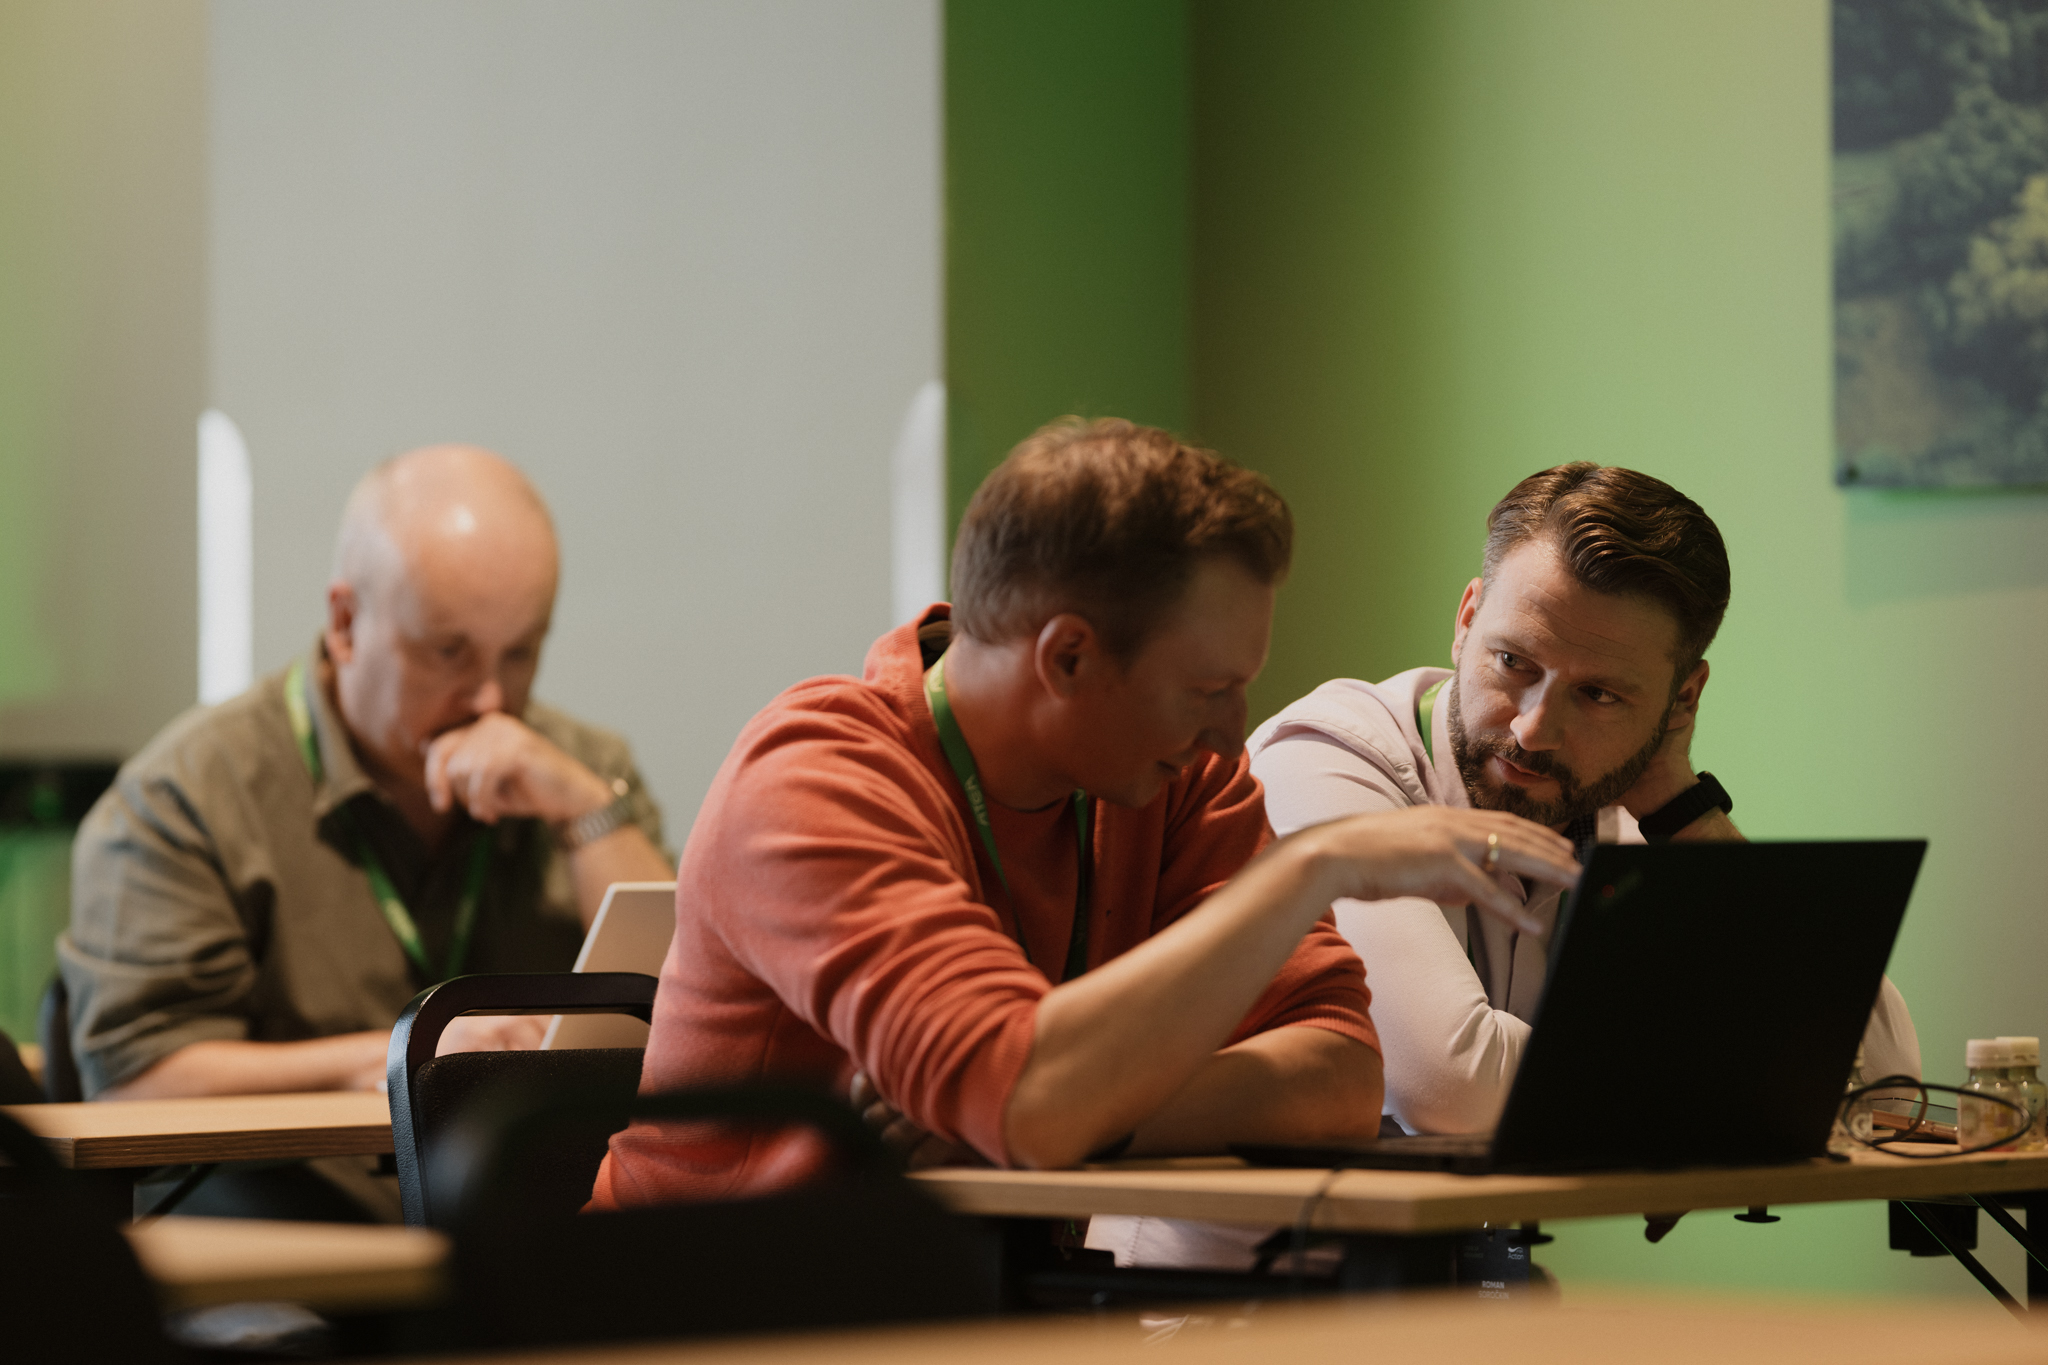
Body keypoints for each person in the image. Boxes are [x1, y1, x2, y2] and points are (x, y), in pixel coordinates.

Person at [588, 418, 1580, 1211]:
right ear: (1067, 658)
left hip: (961, 1306)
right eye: (1205, 690)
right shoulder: (817, 777)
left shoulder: (1171, 776)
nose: (1231, 732)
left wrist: (1075, 1115)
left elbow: (1338, 1077)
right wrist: (1305, 872)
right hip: (702, 1321)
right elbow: (1029, 1102)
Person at [1088, 461, 1919, 1268]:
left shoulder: (1604, 810)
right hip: (1213, 1307)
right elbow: (1449, 1083)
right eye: (1513, 663)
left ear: (1682, 701)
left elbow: (1879, 1086)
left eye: (1599, 694)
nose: (1531, 728)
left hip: (1441, 1296)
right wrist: (1724, 1100)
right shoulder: (1329, 759)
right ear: (1466, 617)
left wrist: (1677, 804)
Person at [60, 444, 673, 1218]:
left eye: (521, 651)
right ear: (346, 622)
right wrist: (409, 1056)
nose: (491, 698)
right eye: (448, 650)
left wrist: (586, 812)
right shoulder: (188, 793)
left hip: (542, 1227)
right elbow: (137, 1083)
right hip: (295, 1231)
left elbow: (697, 1016)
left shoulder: (585, 771)